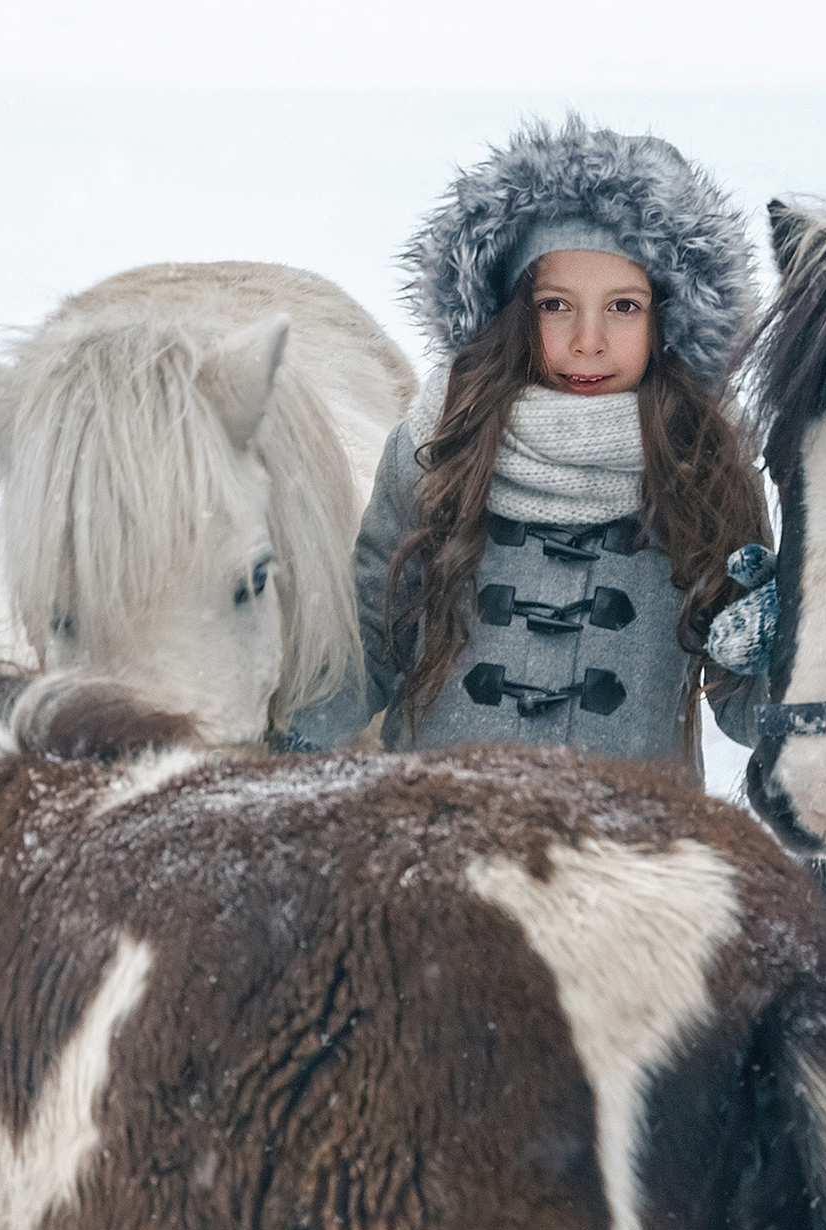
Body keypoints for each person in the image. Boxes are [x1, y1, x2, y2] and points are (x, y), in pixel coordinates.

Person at [293, 116, 769, 779]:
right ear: (513, 310)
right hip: (438, 833)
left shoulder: (709, 466)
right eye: (556, 305)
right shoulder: (438, 442)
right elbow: (372, 644)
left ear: (670, 316)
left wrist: (784, 646)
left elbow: (748, 707)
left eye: (624, 307)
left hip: (633, 853)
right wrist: (286, 733)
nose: (588, 340)